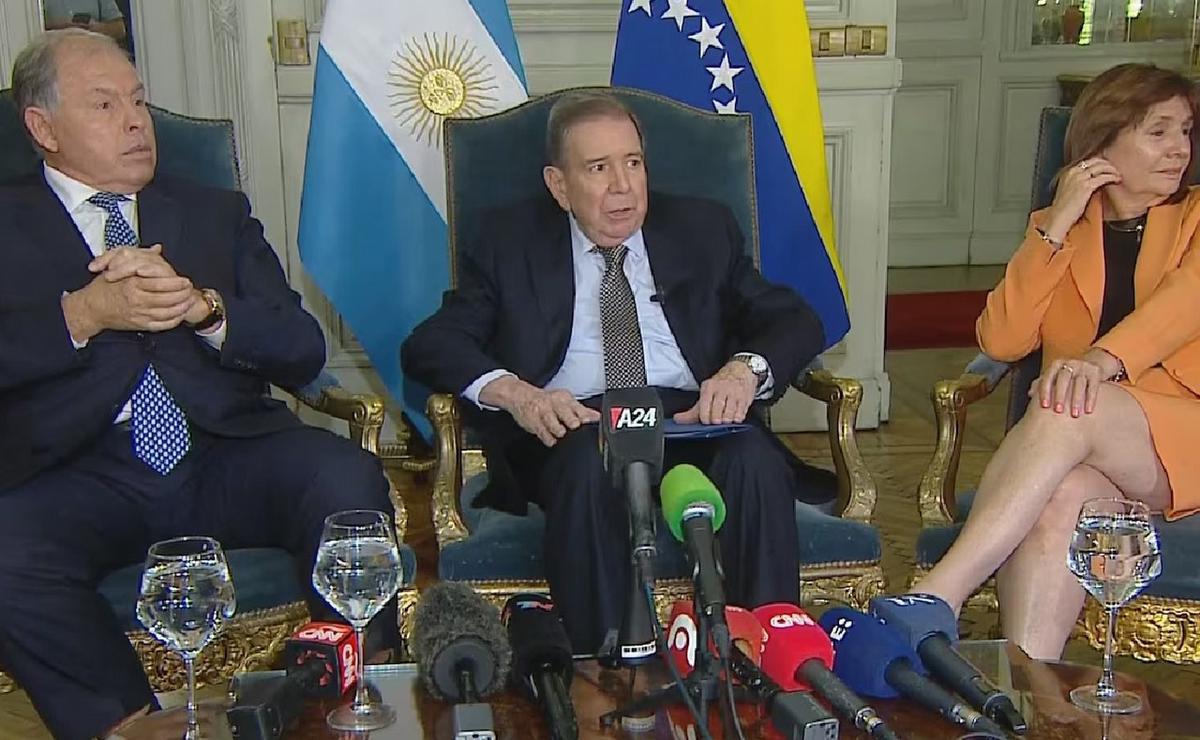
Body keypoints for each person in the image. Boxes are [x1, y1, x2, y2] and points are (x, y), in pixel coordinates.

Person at [0, 30, 393, 740]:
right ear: (42, 128)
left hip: (224, 449)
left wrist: (204, 310)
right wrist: (82, 315)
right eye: (105, 104)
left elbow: (300, 345)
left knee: (344, 479)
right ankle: (126, 725)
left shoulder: (213, 210)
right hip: (77, 468)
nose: (134, 121)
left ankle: (353, 692)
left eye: (140, 101)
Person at [402, 92, 829, 653]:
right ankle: (603, 664)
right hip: (579, 426)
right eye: (599, 169)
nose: (623, 186)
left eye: (633, 163)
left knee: (753, 459)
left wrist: (744, 371)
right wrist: (519, 395)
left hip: (689, 417)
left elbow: (793, 318)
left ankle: (765, 655)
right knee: (582, 465)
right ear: (559, 185)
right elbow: (433, 343)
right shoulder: (510, 242)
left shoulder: (701, 229)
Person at [912, 63, 1200, 660]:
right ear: (1102, 143)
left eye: (1186, 131)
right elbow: (1002, 340)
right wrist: (1056, 224)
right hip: (1092, 455)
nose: (1181, 149)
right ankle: (1027, 699)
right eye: (1159, 131)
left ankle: (941, 591)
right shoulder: (1063, 230)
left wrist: (1099, 361)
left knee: (1067, 403)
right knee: (1064, 500)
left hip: (1183, 438)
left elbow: (1184, 304)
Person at [42, 0, 127, 44]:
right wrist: (61, 29)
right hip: (54, 56)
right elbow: (32, 29)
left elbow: (119, 28)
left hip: (93, 53)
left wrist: (95, 29)